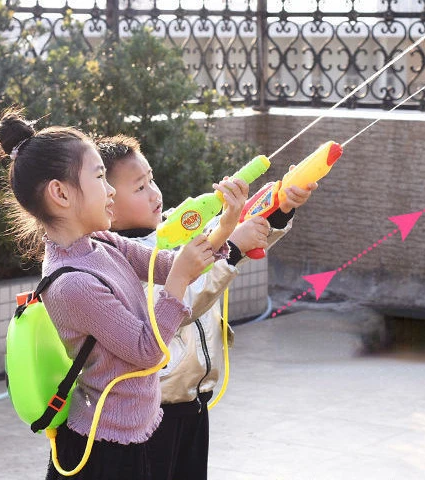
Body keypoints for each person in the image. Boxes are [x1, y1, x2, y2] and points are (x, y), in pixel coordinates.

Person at [0, 109, 235, 479]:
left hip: (136, 433)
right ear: (61, 194)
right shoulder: (73, 283)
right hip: (105, 450)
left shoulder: (100, 242)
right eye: (101, 177)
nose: (112, 190)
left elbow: (163, 266)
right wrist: (180, 278)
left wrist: (225, 225)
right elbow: (148, 352)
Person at [96, 134, 317, 479]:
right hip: (152, 410)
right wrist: (234, 246)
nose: (154, 192)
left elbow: (229, 231)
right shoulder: (118, 256)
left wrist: (281, 204)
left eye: (151, 179)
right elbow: (183, 302)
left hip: (192, 402)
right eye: (139, 188)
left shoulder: (173, 227)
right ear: (106, 200)